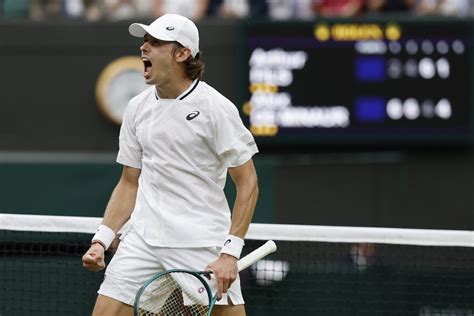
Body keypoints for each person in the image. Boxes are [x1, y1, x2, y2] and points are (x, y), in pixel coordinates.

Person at [82, 13, 259, 316]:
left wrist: (230, 252)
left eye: (156, 42)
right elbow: (129, 182)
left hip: (200, 241)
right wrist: (103, 238)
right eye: (145, 41)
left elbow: (248, 184)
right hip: (143, 239)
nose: (144, 48)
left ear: (182, 53)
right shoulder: (137, 107)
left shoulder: (216, 108)